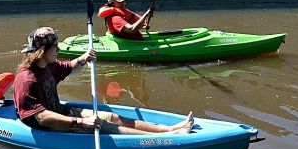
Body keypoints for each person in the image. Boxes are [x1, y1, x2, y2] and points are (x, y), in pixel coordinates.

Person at [13, 26, 192, 135]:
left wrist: (84, 58)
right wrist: (81, 122)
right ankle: (166, 138)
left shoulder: (50, 66)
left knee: (111, 116)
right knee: (104, 125)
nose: (58, 49)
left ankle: (168, 130)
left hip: (61, 112)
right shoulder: (27, 80)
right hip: (49, 126)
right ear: (41, 51)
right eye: (55, 47)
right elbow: (42, 118)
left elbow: (69, 67)